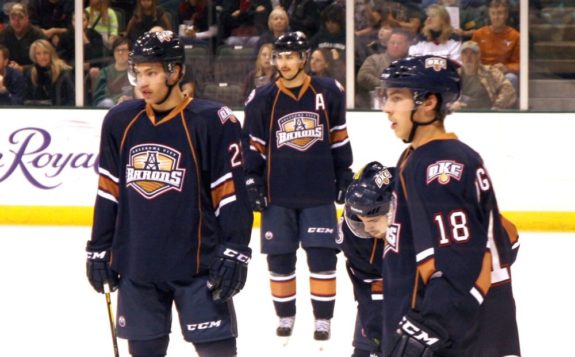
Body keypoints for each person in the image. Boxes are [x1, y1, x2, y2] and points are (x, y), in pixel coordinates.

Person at [85, 30, 253, 357]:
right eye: (138, 72)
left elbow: (231, 196)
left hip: (198, 267)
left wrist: (235, 249)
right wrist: (99, 246)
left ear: (174, 72)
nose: (142, 82)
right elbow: (108, 193)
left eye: (152, 72)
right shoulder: (120, 122)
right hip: (138, 267)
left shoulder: (211, 121)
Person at [379, 54, 521, 356]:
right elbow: (506, 237)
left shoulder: (440, 167)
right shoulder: (419, 157)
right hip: (451, 330)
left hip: (454, 337)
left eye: (396, 97)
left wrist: (429, 331)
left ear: (428, 103)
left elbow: (461, 262)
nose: (387, 108)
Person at [242, 31, 353, 342]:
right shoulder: (263, 98)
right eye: (280, 56)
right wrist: (251, 178)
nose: (284, 62)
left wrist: (344, 172)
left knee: (322, 256)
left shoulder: (328, 92)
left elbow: (339, 137)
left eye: (291, 56)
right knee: (279, 257)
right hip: (278, 194)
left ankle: (322, 319)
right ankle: (285, 314)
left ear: (304, 57)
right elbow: (254, 145)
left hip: (319, 192)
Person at [338, 161, 394, 357]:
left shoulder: (418, 223)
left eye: (372, 220)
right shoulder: (352, 238)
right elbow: (367, 290)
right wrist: (375, 333)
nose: (368, 228)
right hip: (374, 297)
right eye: (360, 222)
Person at [452, 40, 516, 111]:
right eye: (465, 53)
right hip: (463, 114)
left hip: (487, 112)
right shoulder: (455, 75)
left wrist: (496, 109)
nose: (468, 57)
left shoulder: (490, 72)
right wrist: (452, 104)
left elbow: (508, 90)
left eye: (473, 53)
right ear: (460, 56)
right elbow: (444, 96)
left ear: (478, 55)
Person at [356, 28, 411, 108]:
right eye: (392, 43)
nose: (395, 46)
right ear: (387, 44)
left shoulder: (412, 63)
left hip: (404, 107)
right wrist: (384, 85)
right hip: (375, 106)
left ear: (407, 45)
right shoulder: (374, 59)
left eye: (399, 43)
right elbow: (363, 76)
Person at [471, 0, 520, 91]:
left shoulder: (515, 36)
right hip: (482, 73)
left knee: (512, 78)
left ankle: (505, 104)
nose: (496, 17)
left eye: (500, 13)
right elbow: (471, 59)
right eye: (493, 13)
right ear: (489, 15)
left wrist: (506, 68)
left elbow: (520, 64)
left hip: (503, 74)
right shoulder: (478, 34)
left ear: (506, 15)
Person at [23, 38, 74, 105]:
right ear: (34, 56)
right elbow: (28, 99)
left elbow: (72, 98)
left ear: (51, 54)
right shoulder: (31, 73)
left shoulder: (64, 72)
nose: (42, 57)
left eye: (45, 53)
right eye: (38, 54)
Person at [0, 2, 46, 72]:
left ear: (27, 18)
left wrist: (23, 68)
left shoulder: (37, 35)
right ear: (9, 19)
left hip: (32, 74)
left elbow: (45, 62)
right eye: (13, 18)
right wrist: (8, 65)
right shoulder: (4, 34)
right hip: (9, 71)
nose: (16, 22)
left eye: (20, 18)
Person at [92, 37, 131, 108]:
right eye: (117, 50)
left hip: (128, 105)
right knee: (108, 102)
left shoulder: (135, 72)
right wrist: (117, 100)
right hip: (107, 106)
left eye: (124, 50)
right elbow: (99, 96)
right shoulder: (105, 72)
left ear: (130, 52)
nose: (120, 53)